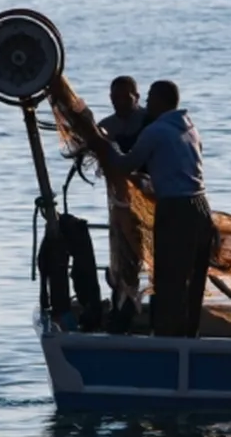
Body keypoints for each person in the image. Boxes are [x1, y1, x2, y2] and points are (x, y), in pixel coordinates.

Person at [83, 80, 216, 338]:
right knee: (194, 282)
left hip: (176, 209)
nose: (147, 104)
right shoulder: (190, 128)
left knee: (168, 281)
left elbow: (124, 165)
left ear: (162, 101)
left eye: (151, 99)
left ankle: (169, 342)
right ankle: (190, 337)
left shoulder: (155, 130)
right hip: (202, 208)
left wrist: (105, 146)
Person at [96, 76, 149, 333]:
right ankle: (123, 305)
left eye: (124, 97)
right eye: (113, 97)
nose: (118, 102)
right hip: (119, 204)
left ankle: (139, 306)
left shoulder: (150, 122)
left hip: (150, 202)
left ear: (136, 97)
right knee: (122, 256)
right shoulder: (106, 127)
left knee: (145, 256)